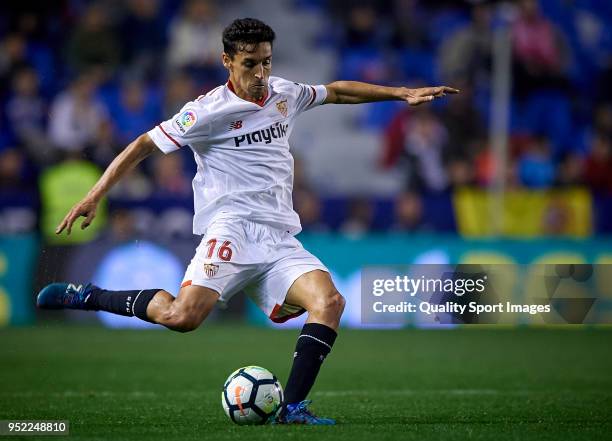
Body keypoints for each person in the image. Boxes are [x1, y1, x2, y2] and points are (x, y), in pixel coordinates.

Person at [37, 18, 458, 425]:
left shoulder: (283, 93)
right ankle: (88, 295)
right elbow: (143, 145)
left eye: (266, 61)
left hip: (278, 236)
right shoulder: (205, 111)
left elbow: (335, 92)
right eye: (250, 64)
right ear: (227, 61)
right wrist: (95, 194)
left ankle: (292, 409)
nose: (261, 72)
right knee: (183, 318)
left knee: (329, 303)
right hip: (232, 229)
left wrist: (401, 94)